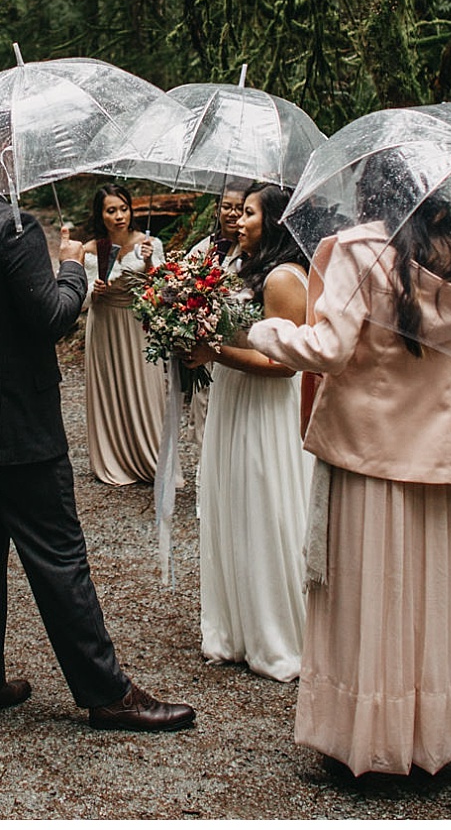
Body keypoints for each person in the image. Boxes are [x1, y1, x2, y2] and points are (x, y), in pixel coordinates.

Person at [0, 173, 193, 731]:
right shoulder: (12, 227)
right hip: (17, 423)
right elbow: (50, 317)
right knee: (59, 556)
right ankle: (106, 692)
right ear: (0, 161)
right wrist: (70, 267)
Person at [246, 177, 451, 778]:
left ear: (371, 193)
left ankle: (361, 738)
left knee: (364, 592)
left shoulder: (360, 251)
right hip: (436, 459)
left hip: (366, 455)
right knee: (425, 598)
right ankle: (421, 741)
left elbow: (329, 348)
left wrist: (262, 331)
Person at [186, 182, 312, 681]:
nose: (238, 220)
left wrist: (214, 354)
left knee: (266, 508)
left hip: (267, 407)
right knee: (234, 505)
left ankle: (279, 633)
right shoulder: (239, 267)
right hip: (235, 398)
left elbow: (283, 366)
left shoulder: (284, 278)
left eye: (251, 213)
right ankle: (237, 626)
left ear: (275, 221)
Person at [78, 184, 174, 487]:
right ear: (100, 214)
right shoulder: (89, 250)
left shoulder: (150, 243)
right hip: (104, 323)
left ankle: (151, 459)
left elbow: (166, 291)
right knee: (110, 386)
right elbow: (75, 298)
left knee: (147, 386)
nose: (119, 216)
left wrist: (148, 262)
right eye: (111, 210)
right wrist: (93, 292)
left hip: (138, 323)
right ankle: (114, 458)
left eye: (123, 208)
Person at [179, 187, 246, 455]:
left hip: (240, 344)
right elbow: (181, 282)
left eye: (239, 208)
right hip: (208, 340)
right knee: (206, 406)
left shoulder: (253, 248)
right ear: (217, 210)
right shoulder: (207, 248)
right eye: (226, 207)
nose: (232, 213)